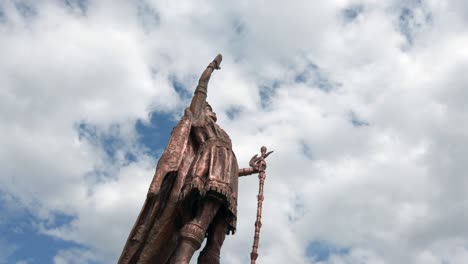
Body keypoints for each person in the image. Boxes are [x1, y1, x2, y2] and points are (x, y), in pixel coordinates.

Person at [118, 54, 260, 264]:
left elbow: (228, 169)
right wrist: (211, 68)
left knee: (217, 234)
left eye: (211, 108)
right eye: (208, 107)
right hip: (207, 169)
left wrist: (251, 170)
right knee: (202, 219)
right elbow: (201, 87)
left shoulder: (222, 134)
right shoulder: (197, 117)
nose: (212, 111)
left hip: (225, 175)